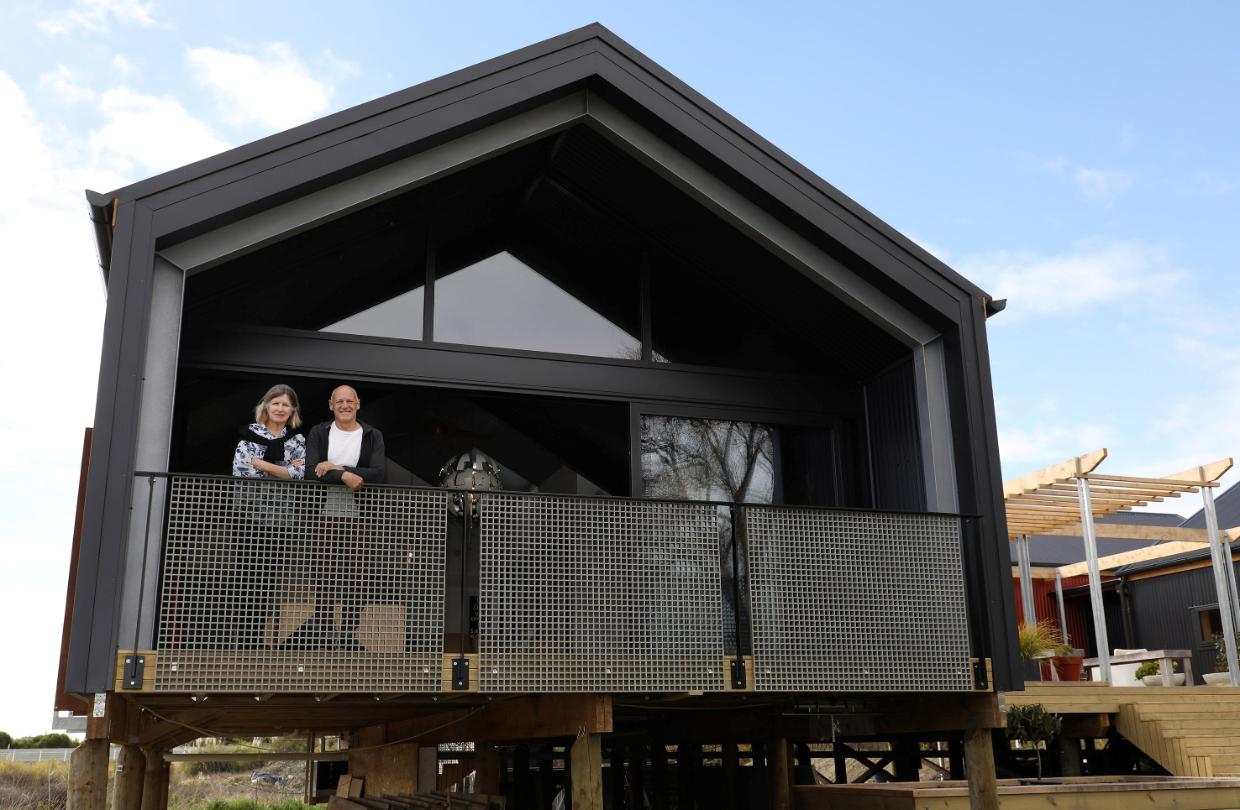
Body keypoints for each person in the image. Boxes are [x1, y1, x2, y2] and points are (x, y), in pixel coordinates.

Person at [303, 385, 387, 650]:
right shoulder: (319, 432)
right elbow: (310, 472)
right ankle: (325, 632)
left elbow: (377, 474)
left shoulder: (372, 435)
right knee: (325, 577)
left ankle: (349, 634)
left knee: (357, 579)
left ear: (358, 404)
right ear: (331, 405)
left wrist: (335, 467)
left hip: (360, 519)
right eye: (339, 401)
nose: (345, 405)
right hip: (324, 517)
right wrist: (347, 477)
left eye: (350, 401)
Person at [228, 383, 306, 649]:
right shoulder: (247, 436)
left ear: (292, 410)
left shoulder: (297, 441)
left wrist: (262, 464)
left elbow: (300, 474)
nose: (280, 409)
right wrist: (282, 468)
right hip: (248, 517)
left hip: (280, 521)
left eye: (286, 404)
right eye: (276, 403)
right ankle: (244, 642)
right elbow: (242, 472)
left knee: (268, 580)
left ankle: (259, 642)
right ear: (266, 406)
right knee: (246, 579)